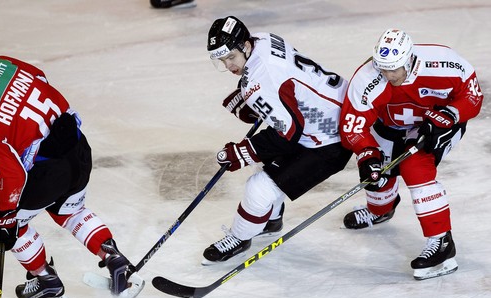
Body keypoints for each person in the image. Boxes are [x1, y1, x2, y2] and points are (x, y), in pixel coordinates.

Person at [0, 57, 144, 298]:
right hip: (77, 146)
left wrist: (3, 216)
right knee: (70, 211)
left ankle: (46, 281)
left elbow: (11, 174)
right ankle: (115, 260)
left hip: (50, 171)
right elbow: (40, 76)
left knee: (6, 224)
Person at [203, 16, 352, 265]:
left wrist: (241, 153)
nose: (228, 66)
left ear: (245, 46)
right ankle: (271, 219)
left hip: (330, 139)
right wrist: (256, 101)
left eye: (231, 57)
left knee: (258, 188)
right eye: (222, 60)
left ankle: (240, 238)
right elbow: (285, 85)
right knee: (271, 166)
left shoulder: (262, 82)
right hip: (335, 108)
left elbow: (288, 134)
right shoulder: (262, 38)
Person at [339, 29, 483, 280]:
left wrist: (450, 115)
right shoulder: (367, 78)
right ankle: (380, 210)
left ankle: (442, 243)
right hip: (389, 126)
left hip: (436, 125)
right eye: (382, 68)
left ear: (410, 60)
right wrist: (366, 153)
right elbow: (353, 125)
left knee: (415, 167)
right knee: (377, 175)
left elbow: (473, 96)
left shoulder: (444, 62)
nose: (387, 75)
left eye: (394, 69)